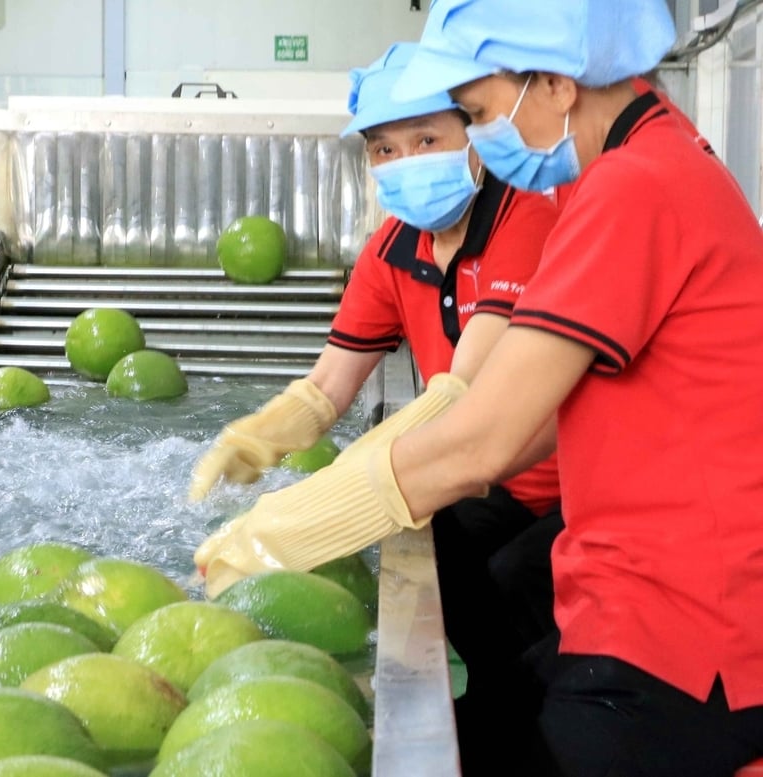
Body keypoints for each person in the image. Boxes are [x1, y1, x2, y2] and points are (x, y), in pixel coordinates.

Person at [196, 0, 763, 774]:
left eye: (478, 113)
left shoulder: (635, 188)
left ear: (557, 83)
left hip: (692, 636)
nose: (487, 139)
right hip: (642, 596)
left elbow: (484, 435)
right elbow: (535, 419)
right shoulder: (635, 170)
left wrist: (283, 530)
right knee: (488, 717)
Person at [189, 43, 561, 773]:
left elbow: (465, 395)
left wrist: (293, 523)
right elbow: (329, 388)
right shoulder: (392, 248)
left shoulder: (527, 217)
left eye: (428, 139)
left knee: (530, 624)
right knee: (458, 578)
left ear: (474, 136)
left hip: (562, 494)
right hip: (470, 486)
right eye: (385, 148)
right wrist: (263, 436)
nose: (407, 160)